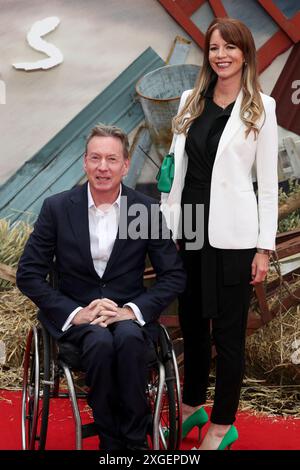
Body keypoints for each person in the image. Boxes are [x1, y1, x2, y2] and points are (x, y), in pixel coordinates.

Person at [17, 123, 186, 451]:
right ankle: (111, 442)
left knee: (126, 339)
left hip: (127, 315)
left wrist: (131, 311)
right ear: (85, 162)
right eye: (95, 158)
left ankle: (134, 441)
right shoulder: (57, 208)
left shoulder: (145, 210)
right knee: (98, 341)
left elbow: (174, 275)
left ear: (125, 165)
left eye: (111, 159)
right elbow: (29, 274)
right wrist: (75, 314)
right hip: (78, 317)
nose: (103, 167)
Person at [161, 17, 278, 450]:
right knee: (192, 325)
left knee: (228, 334)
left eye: (230, 47)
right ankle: (192, 407)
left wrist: (264, 248)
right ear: (207, 55)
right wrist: (165, 228)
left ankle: (222, 423)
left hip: (235, 237)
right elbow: (174, 172)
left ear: (245, 53)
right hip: (188, 227)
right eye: (214, 48)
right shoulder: (190, 100)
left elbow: (267, 186)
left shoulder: (261, 107)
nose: (221, 55)